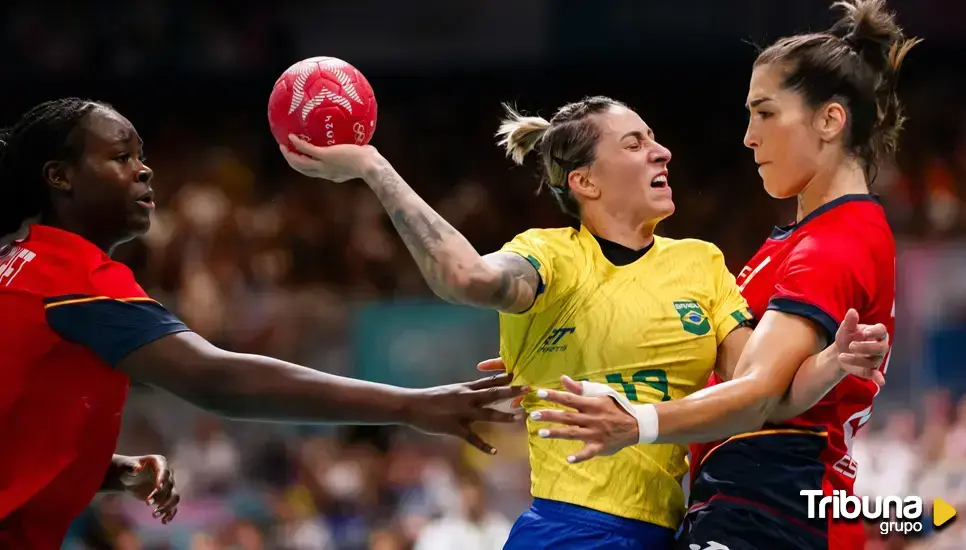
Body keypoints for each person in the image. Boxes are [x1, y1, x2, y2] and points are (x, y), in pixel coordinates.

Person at [279, 89, 885, 550]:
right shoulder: (553, 257)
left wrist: (831, 365)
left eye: (654, 138)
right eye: (634, 144)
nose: (661, 151)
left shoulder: (700, 264)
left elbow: (762, 396)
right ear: (585, 181)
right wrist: (374, 169)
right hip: (569, 532)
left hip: (670, 530)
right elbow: (462, 277)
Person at [0, 98, 527, 549]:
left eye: (141, 156)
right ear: (59, 176)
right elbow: (219, 379)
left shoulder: (21, 263)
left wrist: (109, 470)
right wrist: (412, 404)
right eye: (120, 157)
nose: (144, 170)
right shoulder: (72, 276)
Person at [525, 1, 915, 548]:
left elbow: (758, 394)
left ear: (830, 120)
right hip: (753, 500)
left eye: (765, 113)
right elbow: (738, 372)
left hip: (771, 503)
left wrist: (637, 423)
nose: (748, 137)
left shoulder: (833, 244)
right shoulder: (806, 238)